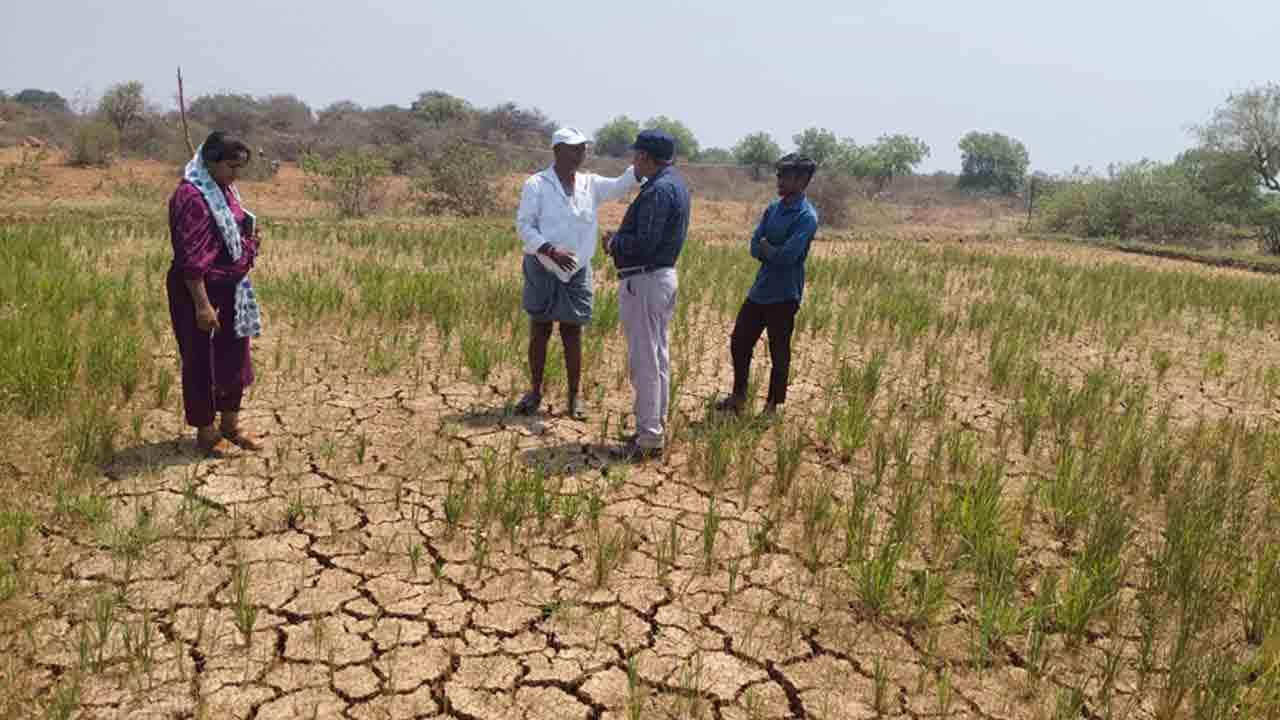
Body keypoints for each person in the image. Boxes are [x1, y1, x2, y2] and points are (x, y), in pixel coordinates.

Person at [515, 128, 638, 419]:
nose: (579, 154)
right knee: (540, 329)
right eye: (573, 149)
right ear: (557, 150)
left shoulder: (590, 184)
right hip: (542, 265)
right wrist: (548, 249)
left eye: (582, 149)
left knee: (572, 331)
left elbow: (621, 185)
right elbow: (524, 225)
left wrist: (641, 163)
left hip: (577, 269)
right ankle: (535, 391)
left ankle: (574, 396)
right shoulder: (536, 184)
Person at [167, 131, 265, 457]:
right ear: (210, 162)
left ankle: (230, 424)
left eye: (240, 168)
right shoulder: (191, 198)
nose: (237, 174)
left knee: (234, 354)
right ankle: (206, 433)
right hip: (200, 291)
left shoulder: (225, 189)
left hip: (230, 288)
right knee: (201, 360)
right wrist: (202, 305)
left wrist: (250, 240)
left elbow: (232, 229)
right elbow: (191, 260)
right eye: (231, 166)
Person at [603, 129, 691, 459]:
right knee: (657, 355)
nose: (633, 161)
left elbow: (645, 243)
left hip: (646, 279)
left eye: (635, 155)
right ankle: (655, 424)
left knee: (646, 360)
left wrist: (614, 243)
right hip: (659, 278)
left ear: (644, 157)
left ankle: (650, 436)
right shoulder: (676, 184)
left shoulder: (658, 191)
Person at [715, 154, 819, 418]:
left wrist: (769, 249)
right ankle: (739, 396)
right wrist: (770, 250)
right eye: (779, 175)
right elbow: (754, 245)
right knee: (740, 341)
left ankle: (773, 406)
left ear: (802, 180)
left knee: (779, 351)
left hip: (785, 294)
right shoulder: (773, 209)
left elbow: (790, 256)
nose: (780, 181)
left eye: (786, 176)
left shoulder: (807, 217)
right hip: (760, 290)